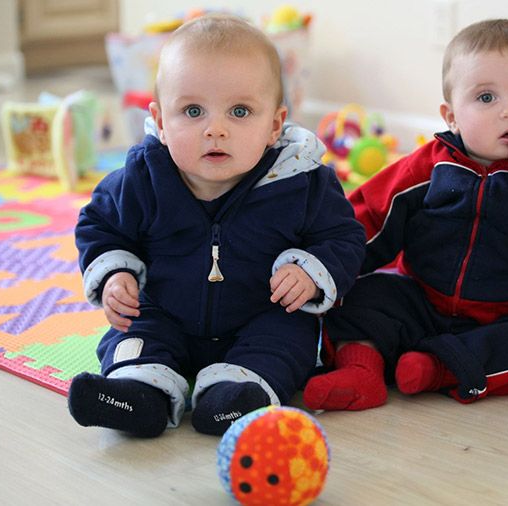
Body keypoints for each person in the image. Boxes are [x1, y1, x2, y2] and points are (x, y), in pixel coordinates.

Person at [67, 14, 365, 437]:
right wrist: (115, 272)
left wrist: (311, 270)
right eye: (192, 111)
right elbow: (100, 225)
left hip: (263, 314)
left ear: (275, 125)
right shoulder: (143, 177)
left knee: (286, 340)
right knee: (135, 335)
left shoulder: (302, 183)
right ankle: (136, 394)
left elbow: (344, 237)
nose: (216, 129)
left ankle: (236, 397)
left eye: (240, 111)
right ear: (162, 121)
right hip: (164, 311)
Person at [302, 18, 508, 411]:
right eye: (486, 98)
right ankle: (361, 370)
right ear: (451, 116)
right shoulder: (430, 166)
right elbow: (372, 217)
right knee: (361, 296)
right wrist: (324, 264)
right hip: (423, 298)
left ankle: (438, 369)